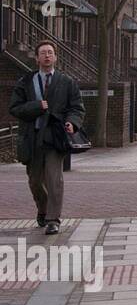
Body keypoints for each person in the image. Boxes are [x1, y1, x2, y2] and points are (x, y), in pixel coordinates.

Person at [9, 41, 86, 235]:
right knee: (35, 181)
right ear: (37, 58)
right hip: (32, 138)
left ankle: (53, 219)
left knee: (54, 180)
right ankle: (43, 209)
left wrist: (72, 122)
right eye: (43, 53)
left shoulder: (67, 82)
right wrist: (36, 106)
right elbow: (15, 108)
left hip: (54, 138)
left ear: (55, 57)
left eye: (50, 53)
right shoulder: (25, 82)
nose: (47, 56)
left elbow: (77, 107)